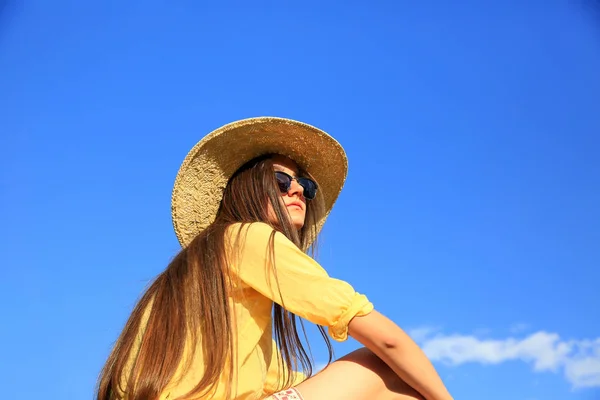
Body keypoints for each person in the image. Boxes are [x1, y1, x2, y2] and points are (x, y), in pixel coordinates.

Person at [96, 117, 453, 400]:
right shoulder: (249, 237)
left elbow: (280, 381)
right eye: (282, 181)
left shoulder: (201, 286)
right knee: (386, 369)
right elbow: (387, 340)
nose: (299, 189)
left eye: (306, 186)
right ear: (248, 188)